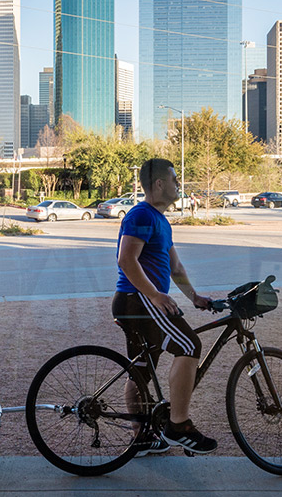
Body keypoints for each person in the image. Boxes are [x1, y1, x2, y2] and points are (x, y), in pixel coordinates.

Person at [114, 157, 218, 455]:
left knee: (142, 372)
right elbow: (126, 260)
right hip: (139, 301)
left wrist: (194, 297)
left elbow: (175, 267)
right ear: (159, 184)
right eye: (174, 180)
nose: (178, 185)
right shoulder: (142, 215)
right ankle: (179, 425)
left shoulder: (159, 220)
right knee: (189, 345)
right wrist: (157, 296)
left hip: (138, 301)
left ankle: (142, 437)